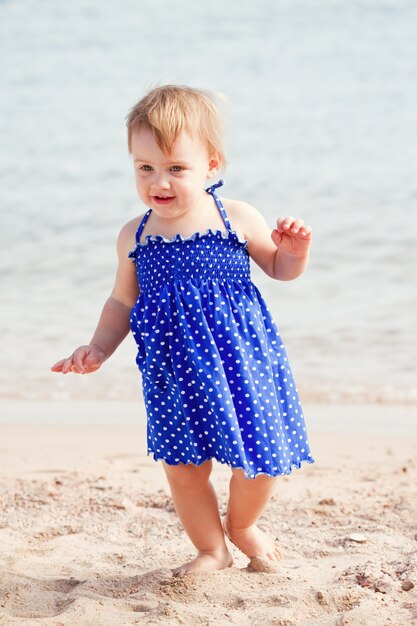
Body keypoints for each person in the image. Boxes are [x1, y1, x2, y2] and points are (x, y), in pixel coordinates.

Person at [51, 84, 314, 577]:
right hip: (173, 368)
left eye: (176, 168)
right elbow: (121, 301)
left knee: (262, 454)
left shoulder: (235, 217)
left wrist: (295, 251)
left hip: (243, 358)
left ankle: (243, 525)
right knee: (184, 467)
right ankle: (211, 549)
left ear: (212, 165)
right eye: (145, 167)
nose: (159, 181)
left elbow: (278, 269)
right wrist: (98, 348)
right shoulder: (136, 234)